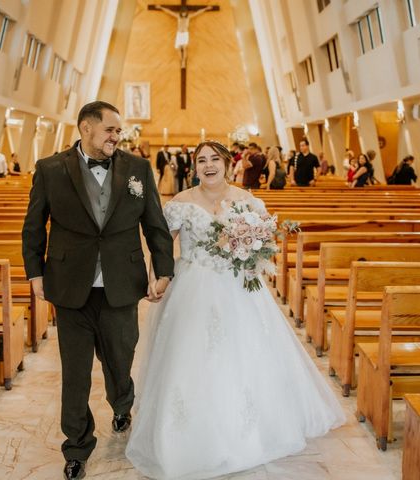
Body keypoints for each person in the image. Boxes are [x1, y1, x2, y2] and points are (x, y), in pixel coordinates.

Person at [126, 140, 345, 480]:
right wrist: (157, 278)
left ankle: (249, 427)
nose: (208, 165)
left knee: (244, 354)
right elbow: (162, 245)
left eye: (215, 159)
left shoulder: (247, 200)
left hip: (237, 287)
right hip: (192, 285)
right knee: (190, 356)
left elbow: (264, 245)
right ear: (194, 167)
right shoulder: (181, 202)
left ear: (228, 163)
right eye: (201, 160)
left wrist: (249, 254)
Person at [21, 101, 175, 480]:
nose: (116, 137)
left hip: (121, 284)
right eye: (110, 129)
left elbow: (155, 223)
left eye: (118, 131)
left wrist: (164, 270)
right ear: (86, 128)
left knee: (120, 360)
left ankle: (122, 403)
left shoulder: (137, 169)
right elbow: (34, 226)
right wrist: (34, 273)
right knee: (75, 373)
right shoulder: (51, 169)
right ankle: (76, 447)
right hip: (70, 286)